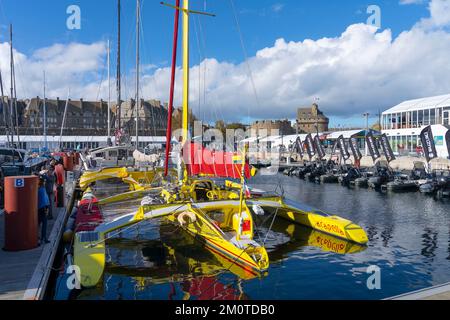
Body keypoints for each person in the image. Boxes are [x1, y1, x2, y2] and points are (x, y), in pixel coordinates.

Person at [38, 177, 50, 245]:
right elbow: (46, 200)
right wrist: (47, 207)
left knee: (38, 224)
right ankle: (43, 238)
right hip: (43, 208)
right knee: (44, 224)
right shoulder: (42, 189)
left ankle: (39, 238)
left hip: (39, 208)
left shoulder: (38, 190)